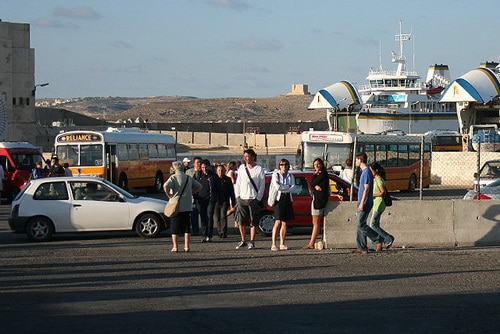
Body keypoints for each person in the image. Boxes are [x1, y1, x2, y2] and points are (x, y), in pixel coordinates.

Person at [163, 161, 202, 253]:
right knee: (187, 227)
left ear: (174, 168)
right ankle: (186, 246)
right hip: (187, 206)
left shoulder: (173, 177)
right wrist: (191, 193)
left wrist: (168, 194)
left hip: (175, 206)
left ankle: (175, 246)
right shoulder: (188, 178)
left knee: (174, 227)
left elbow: (165, 186)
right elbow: (199, 186)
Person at [352, 152, 383, 254]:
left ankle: (377, 239)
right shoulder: (365, 172)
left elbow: (366, 189)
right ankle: (362, 247)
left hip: (365, 202)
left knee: (360, 224)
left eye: (356, 160)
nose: (355, 162)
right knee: (359, 224)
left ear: (360, 160)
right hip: (362, 201)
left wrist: (362, 203)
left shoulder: (366, 172)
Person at [234, 149, 265, 250]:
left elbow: (262, 185)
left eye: (248, 156)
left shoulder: (259, 169)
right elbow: (238, 183)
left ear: (253, 157)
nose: (246, 158)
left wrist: (258, 197)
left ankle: (252, 241)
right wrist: (237, 196)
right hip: (242, 197)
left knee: (253, 221)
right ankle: (243, 240)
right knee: (241, 220)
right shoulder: (242, 168)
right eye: (245, 156)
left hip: (253, 198)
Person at [302, 158, 332, 250]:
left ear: (322, 165)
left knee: (316, 223)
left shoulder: (323, 174)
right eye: (315, 165)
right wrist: (315, 186)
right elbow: (313, 184)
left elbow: (312, 183)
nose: (317, 166)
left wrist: (315, 184)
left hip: (319, 201)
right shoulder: (319, 175)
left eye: (318, 164)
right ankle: (312, 242)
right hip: (316, 200)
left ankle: (311, 243)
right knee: (315, 222)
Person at [269, 159, 295, 251]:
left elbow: (293, 188)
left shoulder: (291, 176)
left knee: (285, 222)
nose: (284, 166)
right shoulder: (275, 174)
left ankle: (282, 243)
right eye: (282, 164)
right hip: (279, 199)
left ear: (288, 166)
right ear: (279, 166)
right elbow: (277, 187)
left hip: (287, 199)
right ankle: (273, 244)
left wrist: (285, 187)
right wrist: (287, 187)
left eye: (286, 164)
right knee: (278, 221)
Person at [370, 162, 395, 249]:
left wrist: (372, 195)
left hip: (379, 203)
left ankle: (388, 238)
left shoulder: (379, 179)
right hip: (376, 203)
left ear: (376, 170)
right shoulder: (375, 179)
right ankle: (377, 244)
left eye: (371, 170)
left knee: (373, 225)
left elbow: (382, 192)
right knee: (375, 224)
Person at [196, 159, 219, 242]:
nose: (204, 169)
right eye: (202, 167)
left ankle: (209, 235)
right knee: (203, 217)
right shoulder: (198, 175)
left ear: (209, 167)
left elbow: (218, 188)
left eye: (205, 167)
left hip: (210, 199)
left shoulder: (213, 176)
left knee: (209, 216)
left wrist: (218, 199)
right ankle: (204, 234)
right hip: (200, 199)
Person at [214, 164, 235, 239]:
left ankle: (223, 232)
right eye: (219, 170)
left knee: (223, 216)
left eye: (222, 170)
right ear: (216, 171)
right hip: (216, 200)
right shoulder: (214, 179)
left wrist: (233, 201)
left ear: (225, 171)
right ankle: (219, 231)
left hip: (224, 200)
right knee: (217, 217)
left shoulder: (228, 179)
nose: (220, 172)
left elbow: (231, 191)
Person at [186, 156, 202, 236]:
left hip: (202, 196)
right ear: (194, 164)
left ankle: (205, 230)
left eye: (200, 162)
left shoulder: (204, 171)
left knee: (204, 215)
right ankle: (195, 230)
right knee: (193, 215)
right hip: (192, 197)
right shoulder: (189, 172)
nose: (199, 164)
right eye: (197, 162)